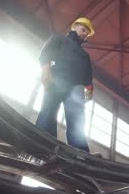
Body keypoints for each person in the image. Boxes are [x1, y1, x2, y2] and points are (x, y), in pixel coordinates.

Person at [35, 17, 95, 153]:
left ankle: (81, 153)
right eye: (84, 29)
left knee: (76, 121)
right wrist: (45, 71)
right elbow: (46, 53)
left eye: (87, 33)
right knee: (48, 112)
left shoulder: (85, 55)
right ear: (75, 26)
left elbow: (88, 77)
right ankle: (44, 142)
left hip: (76, 89)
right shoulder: (59, 39)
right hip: (56, 80)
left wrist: (89, 93)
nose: (85, 33)